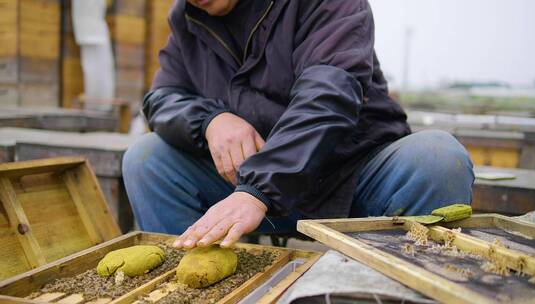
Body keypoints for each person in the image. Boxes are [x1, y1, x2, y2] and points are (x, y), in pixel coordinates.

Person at [123, 0, 474, 249]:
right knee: (146, 158)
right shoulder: (187, 18)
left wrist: (257, 189)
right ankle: (201, 282)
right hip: (245, 185)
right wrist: (209, 122)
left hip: (352, 179)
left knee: (438, 158)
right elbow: (163, 97)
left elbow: (328, 95)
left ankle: (399, 286)